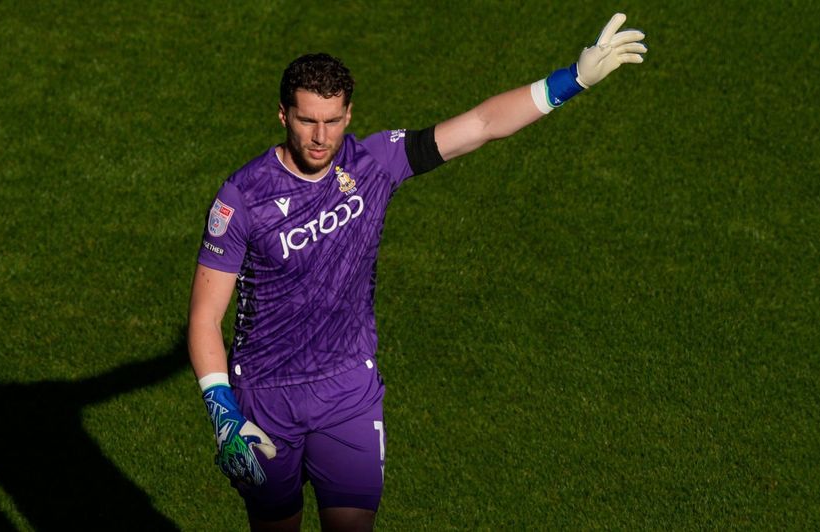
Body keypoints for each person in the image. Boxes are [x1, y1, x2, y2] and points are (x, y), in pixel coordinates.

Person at [188, 13, 646, 531]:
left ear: (349, 113)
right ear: (282, 115)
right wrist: (221, 409)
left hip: (347, 394)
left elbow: (480, 125)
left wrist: (572, 80)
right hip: (267, 399)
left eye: (333, 120)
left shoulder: (374, 163)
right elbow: (206, 318)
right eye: (306, 120)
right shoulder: (241, 198)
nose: (320, 136)